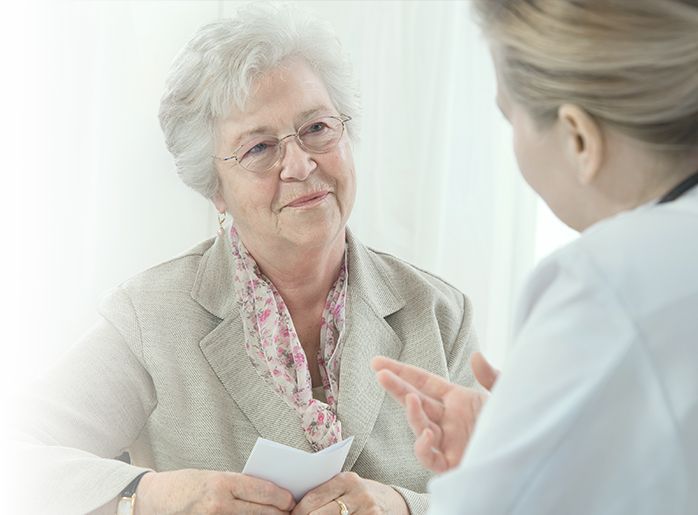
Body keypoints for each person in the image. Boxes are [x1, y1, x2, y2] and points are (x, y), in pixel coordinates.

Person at [0, 3, 483, 515]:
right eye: (258, 148)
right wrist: (151, 497)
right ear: (217, 191)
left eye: (317, 127)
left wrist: (404, 506)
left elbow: (505, 492)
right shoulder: (152, 318)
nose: (300, 164)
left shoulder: (439, 315)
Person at [373, 0, 698, 513]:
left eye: (510, 117)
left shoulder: (605, 281)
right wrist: (541, 445)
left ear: (578, 137)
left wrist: (512, 462)